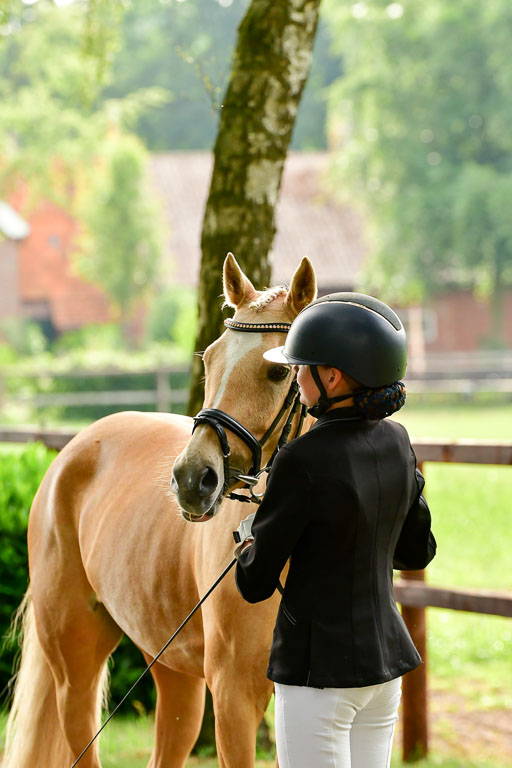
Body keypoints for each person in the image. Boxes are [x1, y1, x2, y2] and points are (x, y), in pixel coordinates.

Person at [234, 292, 436, 768]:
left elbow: (254, 583)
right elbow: (416, 551)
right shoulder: (398, 440)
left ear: (331, 377)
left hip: (318, 676)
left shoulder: (300, 458)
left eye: (300, 368)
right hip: (383, 672)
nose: (295, 377)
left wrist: (247, 539)